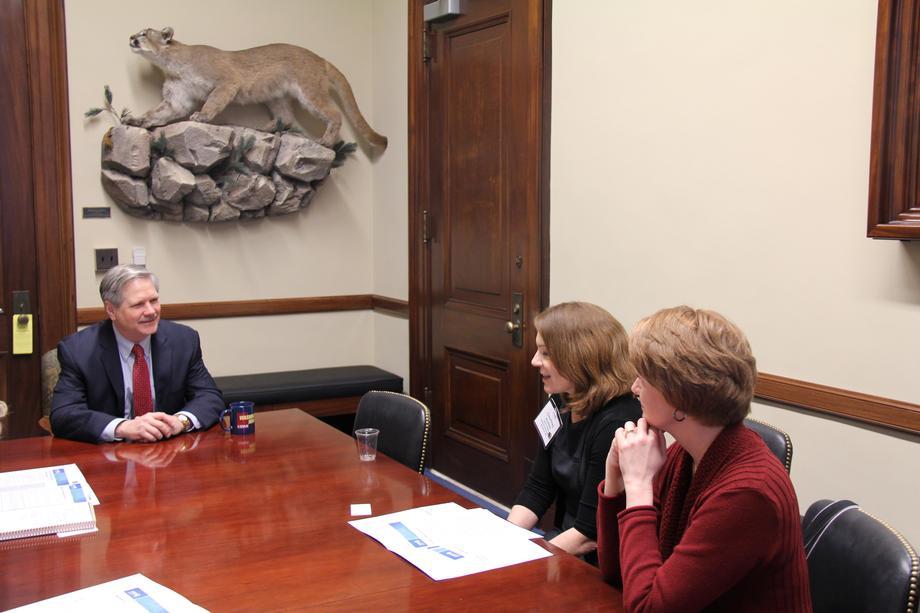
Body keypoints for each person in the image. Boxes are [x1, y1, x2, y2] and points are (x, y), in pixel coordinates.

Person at [597, 306, 811, 612]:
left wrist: (639, 486)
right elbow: (617, 573)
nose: (634, 388)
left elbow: (648, 607)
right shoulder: (684, 454)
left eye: (643, 377)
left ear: (679, 396)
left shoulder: (748, 493)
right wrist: (616, 479)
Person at [508, 302, 641, 559]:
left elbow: (588, 534)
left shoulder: (617, 424)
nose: (535, 361)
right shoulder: (562, 400)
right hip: (562, 542)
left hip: (597, 561)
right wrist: (505, 540)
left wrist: (520, 561)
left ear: (580, 357)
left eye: (545, 353)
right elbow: (538, 486)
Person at [50, 264, 224, 443]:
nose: (151, 311)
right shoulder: (79, 350)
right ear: (111, 310)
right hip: (110, 456)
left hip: (169, 452)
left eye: (154, 300)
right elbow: (63, 414)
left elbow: (209, 396)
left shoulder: (183, 340)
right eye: (138, 304)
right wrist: (123, 427)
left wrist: (180, 421)